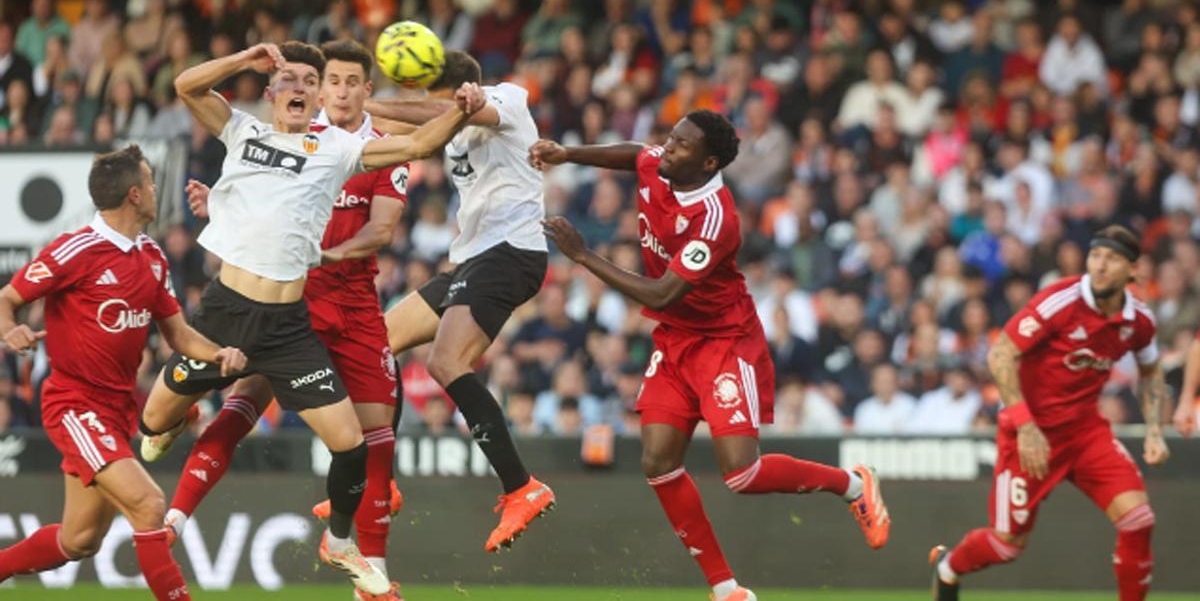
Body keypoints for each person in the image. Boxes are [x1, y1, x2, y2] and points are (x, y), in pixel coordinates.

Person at [136, 40, 483, 595]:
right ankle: (175, 424)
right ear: (270, 91)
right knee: (151, 427)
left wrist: (464, 110)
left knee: (351, 444)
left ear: (317, 94)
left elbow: (418, 141)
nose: (298, 88)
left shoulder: (338, 148)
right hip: (223, 315)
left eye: (307, 82)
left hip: (287, 326)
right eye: (288, 80)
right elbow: (185, 86)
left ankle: (341, 541)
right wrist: (243, 59)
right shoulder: (244, 132)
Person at [530, 110, 891, 601]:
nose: (667, 149)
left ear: (709, 162)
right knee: (657, 460)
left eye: (681, 146)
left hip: (724, 343)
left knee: (742, 474)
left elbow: (661, 294)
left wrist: (582, 255)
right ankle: (726, 589)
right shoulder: (662, 165)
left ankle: (852, 484)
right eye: (671, 138)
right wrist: (568, 153)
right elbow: (636, 153)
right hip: (676, 341)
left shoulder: (716, 217)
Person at [0, 146, 247, 600]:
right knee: (150, 504)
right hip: (74, 404)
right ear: (135, 195)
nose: (156, 191)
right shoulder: (76, 249)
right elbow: (7, 297)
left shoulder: (151, 256)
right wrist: (10, 330)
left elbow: (178, 334)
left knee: (79, 540)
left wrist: (219, 355)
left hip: (115, 411)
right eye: (151, 183)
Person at [365, 50, 555, 552]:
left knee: (446, 362)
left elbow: (440, 114)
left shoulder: (507, 99)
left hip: (513, 251)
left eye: (434, 97)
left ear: (455, 91)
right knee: (378, 342)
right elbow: (415, 127)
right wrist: (357, 109)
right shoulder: (452, 124)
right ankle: (380, 482)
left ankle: (521, 487)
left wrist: (382, 102)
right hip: (473, 258)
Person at [931, 225, 1168, 601]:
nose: (1101, 266)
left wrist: (1155, 429)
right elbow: (1002, 353)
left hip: (1086, 434)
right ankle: (949, 566)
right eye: (1096, 256)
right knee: (1007, 545)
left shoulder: (1138, 320)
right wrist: (1025, 426)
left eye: (1113, 259)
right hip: (1030, 434)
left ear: (1132, 271)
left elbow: (1152, 371)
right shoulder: (1061, 301)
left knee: (1139, 520)